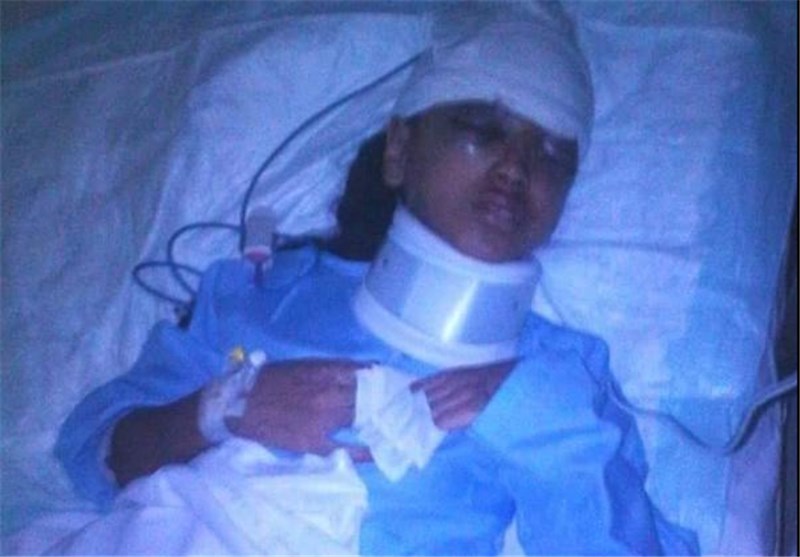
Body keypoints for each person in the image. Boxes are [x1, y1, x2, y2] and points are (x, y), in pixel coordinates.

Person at [54, 4, 698, 555]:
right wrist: (228, 406)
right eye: (483, 130)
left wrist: (527, 408)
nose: (516, 167)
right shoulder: (258, 295)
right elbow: (97, 453)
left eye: (552, 156)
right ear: (399, 150)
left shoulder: (559, 375)